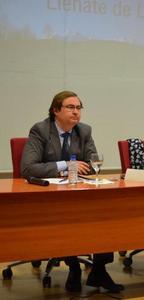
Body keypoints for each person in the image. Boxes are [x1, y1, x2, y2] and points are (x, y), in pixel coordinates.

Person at [21, 91, 124, 293]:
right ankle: (74, 267)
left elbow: (93, 163)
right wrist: (65, 165)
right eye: (70, 107)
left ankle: (99, 270)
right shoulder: (41, 130)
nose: (76, 112)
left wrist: (90, 167)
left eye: (78, 108)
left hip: (77, 191)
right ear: (55, 110)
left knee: (106, 213)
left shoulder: (84, 131)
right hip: (48, 196)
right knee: (69, 216)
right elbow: (28, 168)